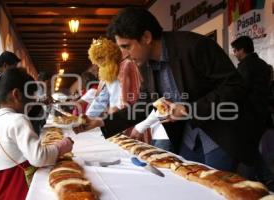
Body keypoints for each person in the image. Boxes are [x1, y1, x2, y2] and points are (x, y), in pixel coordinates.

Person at [75, 7, 262, 173]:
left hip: (222, 134)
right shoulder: (145, 64)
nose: (123, 55)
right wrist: (100, 121)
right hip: (188, 135)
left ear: (146, 38)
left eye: (126, 46)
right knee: (184, 183)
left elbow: (235, 86)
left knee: (215, 190)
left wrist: (190, 109)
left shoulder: (195, 46)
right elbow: (144, 104)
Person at [0, 68, 73, 200]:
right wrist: (61, 146)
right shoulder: (18, 120)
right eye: (31, 98)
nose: (32, 104)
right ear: (17, 95)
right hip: (17, 188)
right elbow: (39, 158)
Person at [231, 36, 274, 189]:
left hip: (247, 115)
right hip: (262, 115)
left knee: (246, 151)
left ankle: (245, 186)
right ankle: (267, 178)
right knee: (254, 148)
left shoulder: (245, 66)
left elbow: (238, 91)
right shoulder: (263, 65)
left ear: (242, 50)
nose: (234, 53)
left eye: (235, 50)